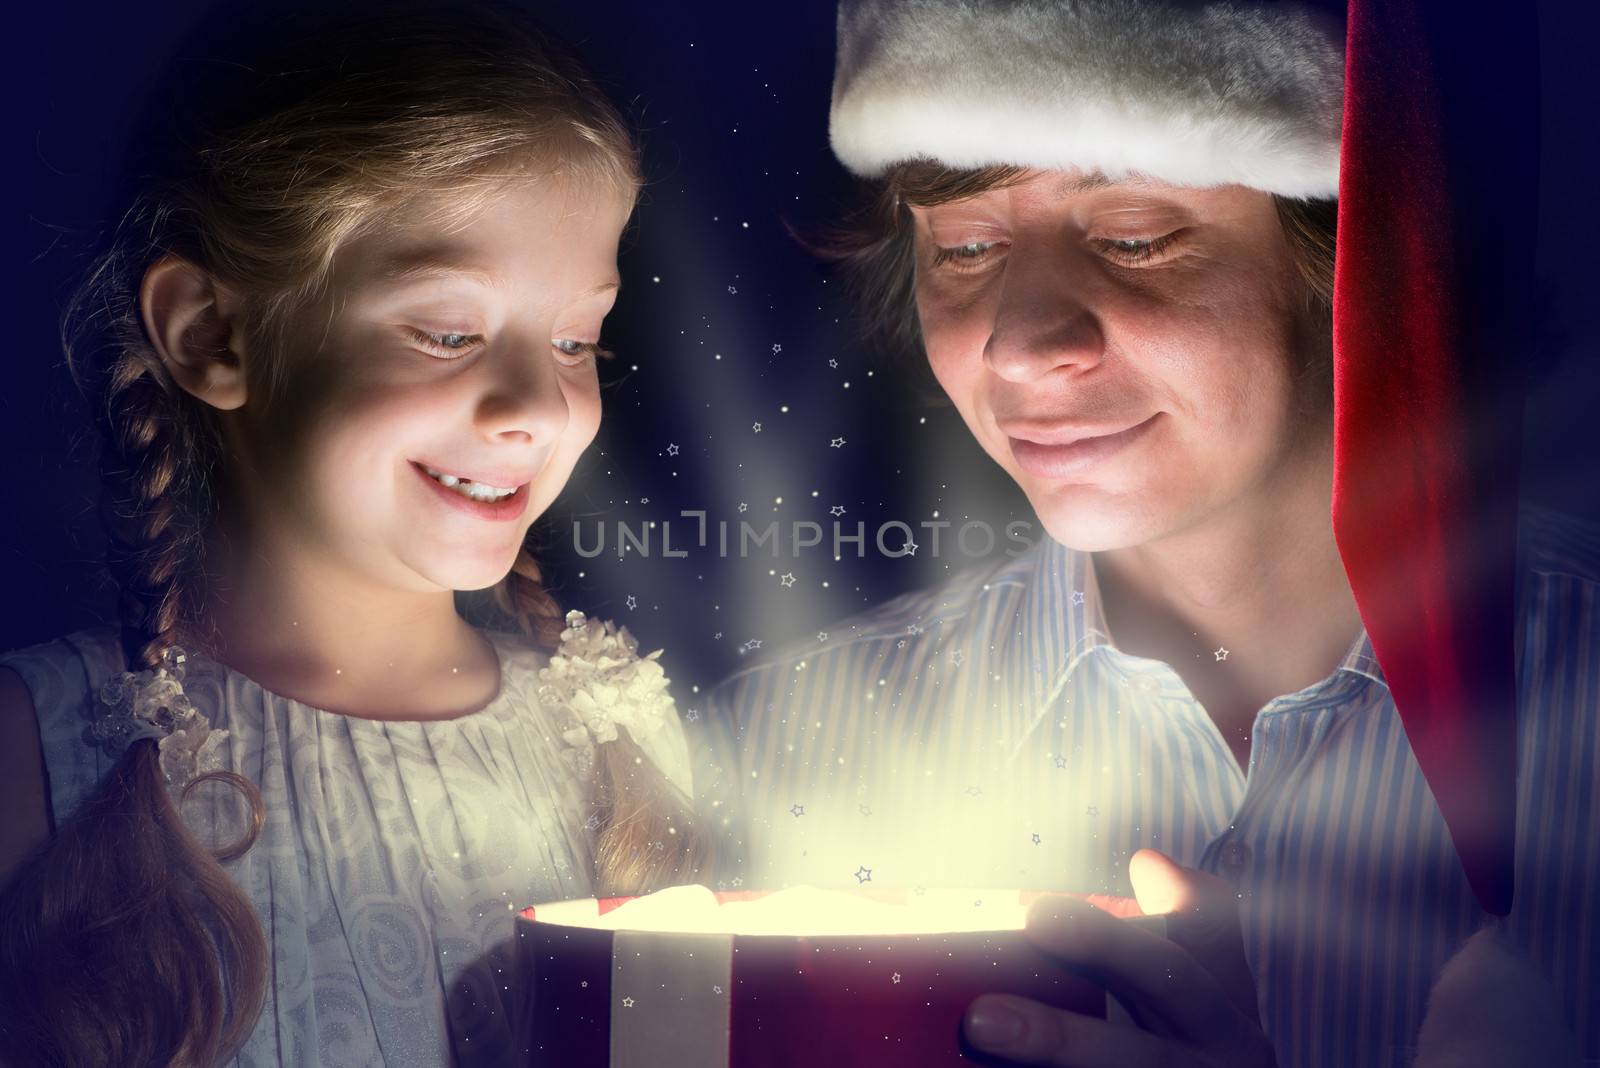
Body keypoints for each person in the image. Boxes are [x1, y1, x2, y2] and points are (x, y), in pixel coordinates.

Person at [694, 0, 1595, 1065]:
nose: (1021, 346)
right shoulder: (783, 750)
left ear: (1359, 260)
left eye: (1136, 238)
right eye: (967, 245)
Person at [0, 7, 704, 1066]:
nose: (535, 406)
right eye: (446, 332)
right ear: (211, 334)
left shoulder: (620, 737)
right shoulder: (34, 749)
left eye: (574, 340)